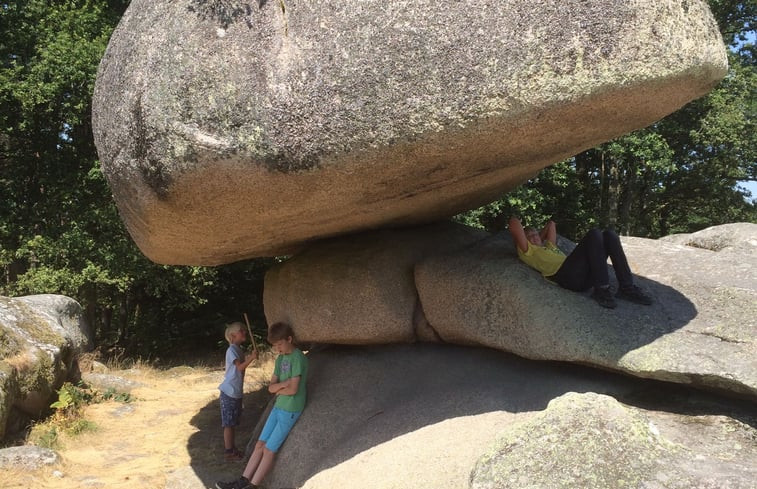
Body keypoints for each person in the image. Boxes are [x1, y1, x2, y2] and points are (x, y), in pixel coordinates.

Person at [216, 322, 308, 489]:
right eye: (275, 346)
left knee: (269, 450)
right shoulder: (281, 359)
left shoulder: (298, 358)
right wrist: (283, 385)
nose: (278, 348)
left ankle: (253, 485)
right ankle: (242, 481)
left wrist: (281, 387)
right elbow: (271, 388)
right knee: (260, 444)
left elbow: (293, 390)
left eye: (280, 344)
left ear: (289, 339)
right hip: (279, 405)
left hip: (291, 409)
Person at [508, 216, 653, 309]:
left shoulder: (549, 246)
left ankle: (627, 288)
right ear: (523, 241)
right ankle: (602, 290)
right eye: (529, 236)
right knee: (594, 234)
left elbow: (551, 224)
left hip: (582, 277)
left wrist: (539, 236)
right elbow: (514, 222)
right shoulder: (527, 252)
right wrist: (532, 238)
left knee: (610, 235)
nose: (533, 237)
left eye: (535, 234)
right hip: (565, 277)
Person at [219, 322, 258, 461]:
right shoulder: (232, 350)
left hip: (235, 391)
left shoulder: (238, 349)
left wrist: (250, 358)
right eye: (242, 331)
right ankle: (229, 452)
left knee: (233, 422)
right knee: (229, 424)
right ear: (232, 335)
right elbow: (240, 368)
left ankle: (232, 449)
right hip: (229, 391)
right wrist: (252, 358)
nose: (245, 333)